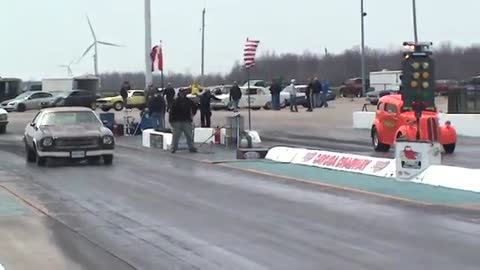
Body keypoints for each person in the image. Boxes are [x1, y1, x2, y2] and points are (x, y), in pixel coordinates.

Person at [169, 89, 198, 153]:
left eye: (183, 93)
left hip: (186, 121)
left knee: (189, 135)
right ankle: (173, 148)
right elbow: (171, 112)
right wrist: (171, 121)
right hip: (177, 121)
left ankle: (191, 147)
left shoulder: (188, 101)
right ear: (179, 93)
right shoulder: (175, 101)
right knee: (175, 136)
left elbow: (195, 107)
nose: (182, 94)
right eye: (181, 93)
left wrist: (193, 113)